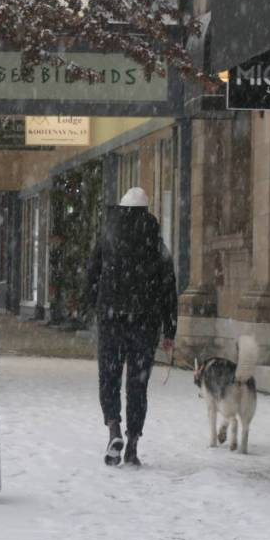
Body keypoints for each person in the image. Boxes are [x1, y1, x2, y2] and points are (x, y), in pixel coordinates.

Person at [87, 187, 177, 467]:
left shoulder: (107, 236)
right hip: (145, 323)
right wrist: (169, 329)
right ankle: (133, 444)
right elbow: (168, 287)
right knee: (137, 385)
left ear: (122, 208)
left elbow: (92, 274)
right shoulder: (156, 241)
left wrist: (97, 307)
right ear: (146, 211)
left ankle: (114, 428)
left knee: (109, 378)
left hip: (112, 320)